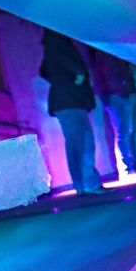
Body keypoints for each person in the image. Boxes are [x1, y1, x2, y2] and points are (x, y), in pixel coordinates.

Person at [38, 27, 104, 192]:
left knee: (75, 145)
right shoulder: (60, 45)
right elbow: (73, 66)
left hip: (63, 103)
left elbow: (43, 71)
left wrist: (61, 79)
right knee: (84, 143)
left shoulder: (50, 49)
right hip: (72, 101)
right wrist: (78, 73)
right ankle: (89, 183)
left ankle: (81, 185)